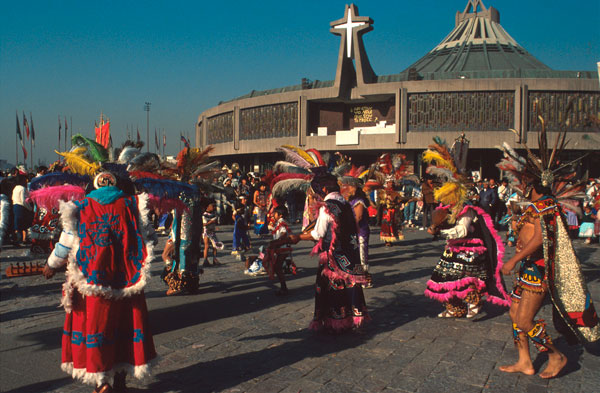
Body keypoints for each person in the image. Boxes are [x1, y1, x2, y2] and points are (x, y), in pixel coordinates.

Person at [497, 124, 599, 379]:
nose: (520, 185)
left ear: (533, 183)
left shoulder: (546, 207)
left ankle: (556, 355)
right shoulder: (537, 205)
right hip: (527, 268)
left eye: (523, 182)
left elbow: (542, 240)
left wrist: (514, 259)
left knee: (524, 320)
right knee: (513, 314)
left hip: (538, 270)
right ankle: (525, 361)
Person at [43, 172, 156, 393]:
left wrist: (51, 264)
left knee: (96, 328)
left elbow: (66, 241)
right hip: (126, 281)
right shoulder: (132, 204)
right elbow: (149, 238)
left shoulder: (81, 207)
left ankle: (101, 382)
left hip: (91, 282)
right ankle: (121, 381)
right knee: (124, 326)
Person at [422, 137, 510, 318]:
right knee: (445, 276)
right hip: (453, 247)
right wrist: (438, 227)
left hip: (470, 248)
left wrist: (442, 231)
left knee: (467, 279)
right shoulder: (447, 209)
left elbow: (462, 230)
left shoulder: (467, 209)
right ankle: (454, 307)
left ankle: (474, 304)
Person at [288, 171, 370, 332]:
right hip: (351, 254)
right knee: (351, 284)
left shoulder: (327, 207)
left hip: (333, 257)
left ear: (324, 190)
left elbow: (318, 234)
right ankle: (354, 318)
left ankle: (336, 321)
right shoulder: (346, 204)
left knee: (331, 287)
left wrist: (297, 237)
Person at [203, 200, 224, 266]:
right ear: (208, 207)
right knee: (207, 246)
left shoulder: (213, 214)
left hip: (212, 231)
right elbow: (204, 224)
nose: (214, 208)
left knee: (215, 246)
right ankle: (205, 260)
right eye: (212, 206)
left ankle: (214, 259)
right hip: (206, 231)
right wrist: (211, 222)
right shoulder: (204, 215)